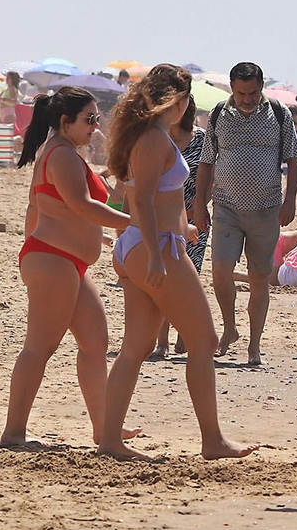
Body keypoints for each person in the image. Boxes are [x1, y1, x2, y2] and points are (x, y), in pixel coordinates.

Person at [101, 65, 257, 461]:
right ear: (177, 100)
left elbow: (152, 198)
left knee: (135, 346)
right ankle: (213, 440)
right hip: (156, 247)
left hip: (141, 244)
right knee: (203, 340)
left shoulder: (147, 136)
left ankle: (110, 439)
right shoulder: (154, 139)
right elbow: (143, 200)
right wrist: (158, 251)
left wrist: (183, 228)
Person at [0, 87, 136, 447]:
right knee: (39, 347)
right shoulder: (60, 154)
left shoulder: (68, 154)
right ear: (65, 121)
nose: (96, 124)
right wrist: (136, 225)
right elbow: (83, 205)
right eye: (89, 119)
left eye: (97, 118)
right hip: (54, 260)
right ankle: (13, 433)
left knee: (95, 343)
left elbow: (44, 208)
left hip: (64, 261)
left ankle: (104, 428)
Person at [194, 62, 297, 366]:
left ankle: (254, 346)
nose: (246, 98)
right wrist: (199, 203)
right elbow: (206, 161)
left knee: (259, 277)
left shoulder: (278, 113)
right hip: (226, 207)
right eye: (241, 92)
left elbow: (293, 159)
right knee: (220, 271)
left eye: (252, 92)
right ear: (231, 87)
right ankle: (230, 327)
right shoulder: (218, 113)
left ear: (261, 88)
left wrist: (290, 200)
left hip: (267, 210)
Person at [153, 96, 207, 359]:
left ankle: (183, 334)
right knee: (167, 279)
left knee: (189, 278)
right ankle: (161, 340)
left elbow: (210, 178)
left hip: (196, 217)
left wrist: (197, 208)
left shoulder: (202, 139)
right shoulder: (158, 138)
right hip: (164, 216)